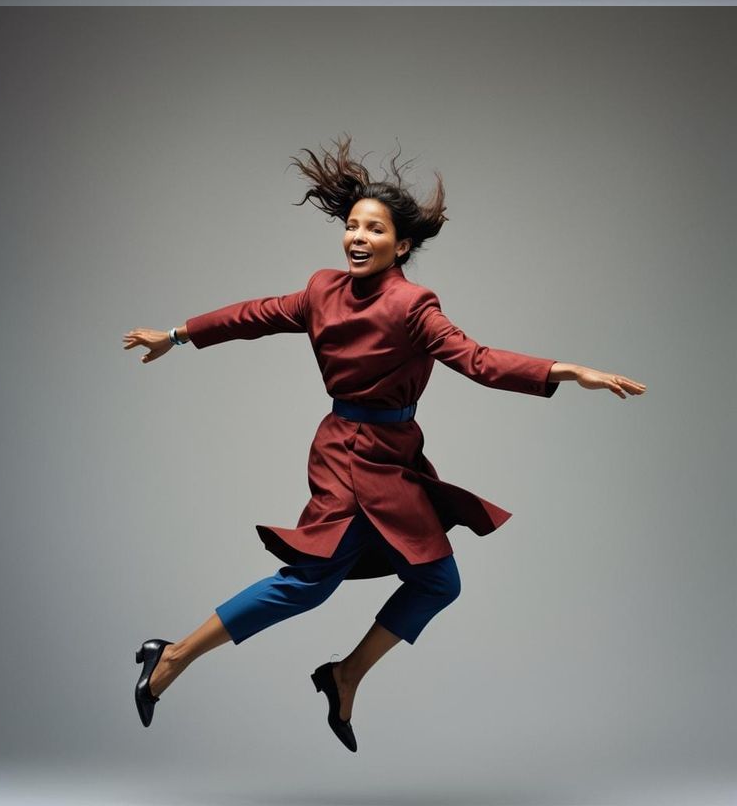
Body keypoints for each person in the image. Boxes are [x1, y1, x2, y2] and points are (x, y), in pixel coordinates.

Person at [121, 139, 645, 751]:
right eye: (351, 226)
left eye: (374, 228)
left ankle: (344, 676)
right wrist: (177, 336)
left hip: (394, 457)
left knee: (437, 583)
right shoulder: (321, 290)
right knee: (310, 582)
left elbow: (476, 360)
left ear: (403, 245)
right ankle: (173, 658)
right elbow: (254, 315)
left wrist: (563, 370)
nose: (358, 237)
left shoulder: (413, 304)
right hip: (344, 454)